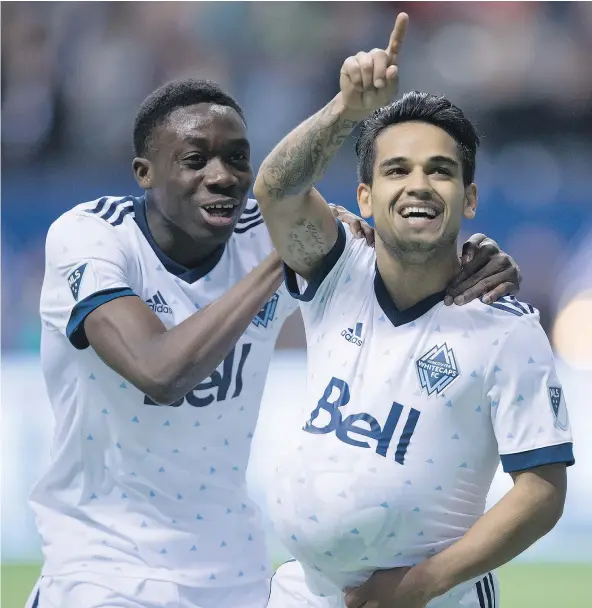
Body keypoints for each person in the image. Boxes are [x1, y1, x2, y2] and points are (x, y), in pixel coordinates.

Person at [27, 75, 521, 608]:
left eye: (237, 159)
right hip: (101, 567)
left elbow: (400, 263)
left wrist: (473, 257)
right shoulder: (92, 238)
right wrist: (280, 263)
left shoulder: (265, 232)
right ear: (144, 173)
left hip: (232, 571)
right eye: (195, 160)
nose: (222, 177)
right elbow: (159, 370)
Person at [255, 13, 574, 608]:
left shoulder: (506, 329)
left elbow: (542, 491)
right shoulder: (334, 273)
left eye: (441, 171)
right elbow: (276, 189)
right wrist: (346, 110)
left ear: (470, 198)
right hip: (304, 592)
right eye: (396, 170)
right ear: (366, 197)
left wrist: (421, 585)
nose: (419, 184)